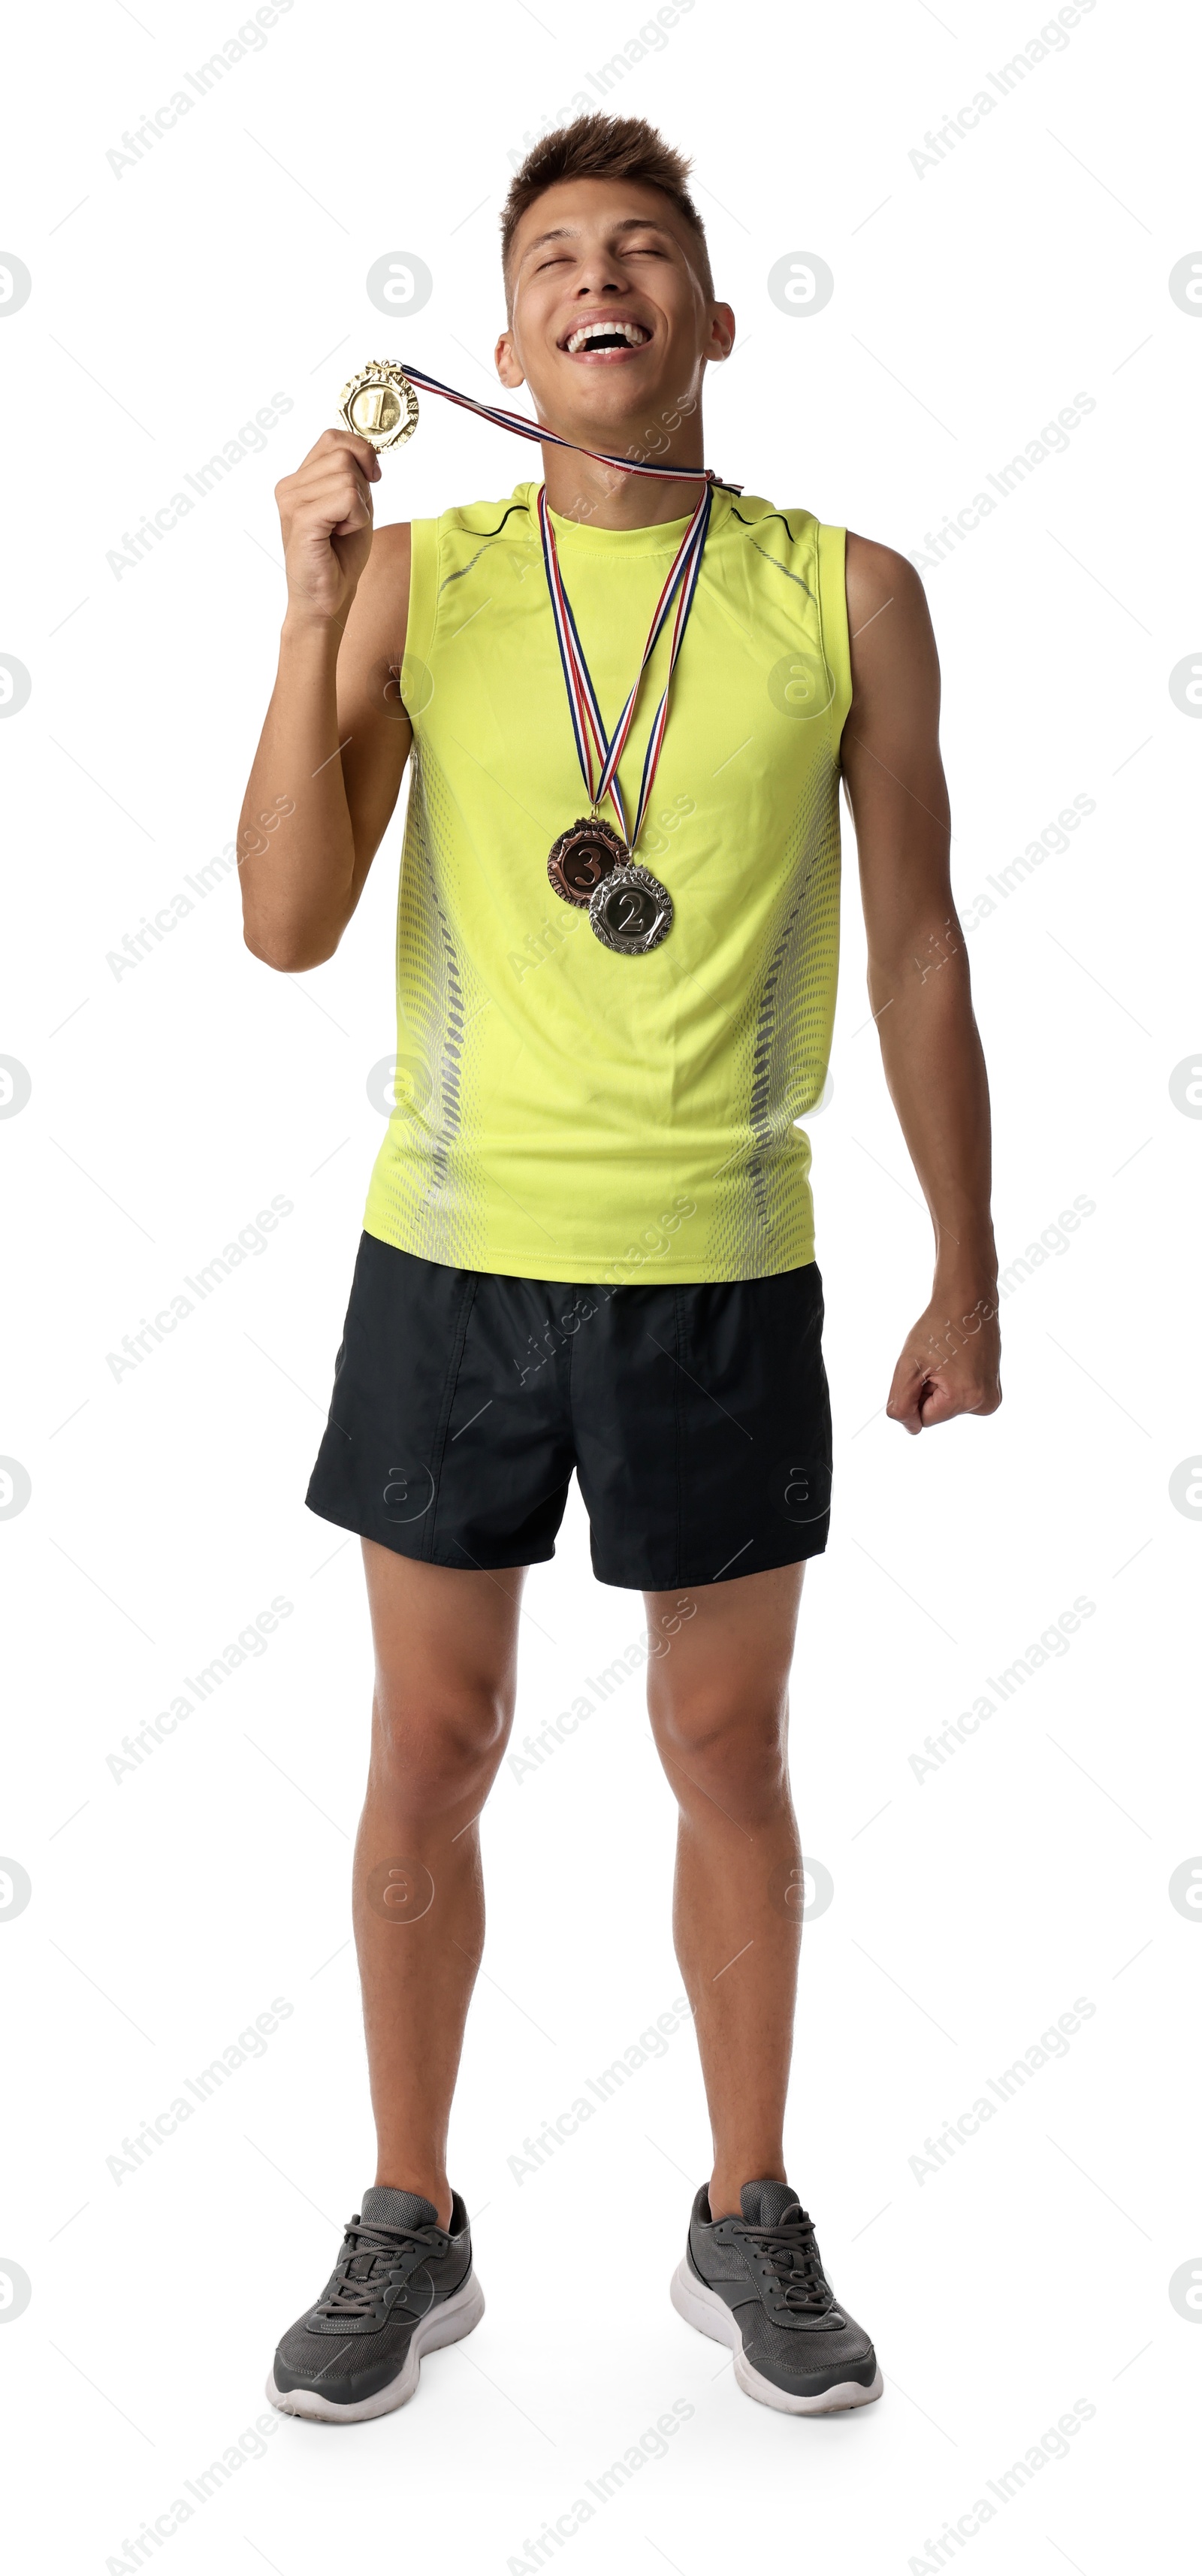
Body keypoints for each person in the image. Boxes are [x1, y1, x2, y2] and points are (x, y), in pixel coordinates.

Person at [237, 113, 1001, 2427]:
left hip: (721, 1267)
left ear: (704, 321)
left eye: (646, 251)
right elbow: (285, 923)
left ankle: (743, 2209)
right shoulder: (422, 575)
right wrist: (300, 606)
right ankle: (411, 2211)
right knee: (432, 1746)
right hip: (451, 1255)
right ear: (502, 344)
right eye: (559, 254)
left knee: (721, 1747)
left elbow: (923, 943)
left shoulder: (843, 590)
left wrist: (969, 1261)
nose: (605, 277)